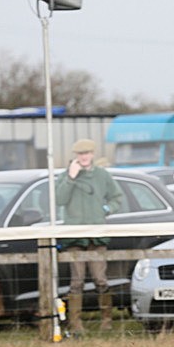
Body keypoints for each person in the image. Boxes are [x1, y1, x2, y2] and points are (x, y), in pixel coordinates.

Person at [56, 138, 124, 335]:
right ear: (75, 156)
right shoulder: (65, 176)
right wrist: (71, 177)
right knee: (76, 280)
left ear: (92, 154)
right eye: (80, 154)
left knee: (100, 278)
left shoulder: (102, 175)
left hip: (96, 235)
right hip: (74, 236)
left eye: (86, 153)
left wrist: (106, 209)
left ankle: (107, 320)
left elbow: (116, 197)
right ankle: (75, 324)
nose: (84, 157)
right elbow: (60, 199)